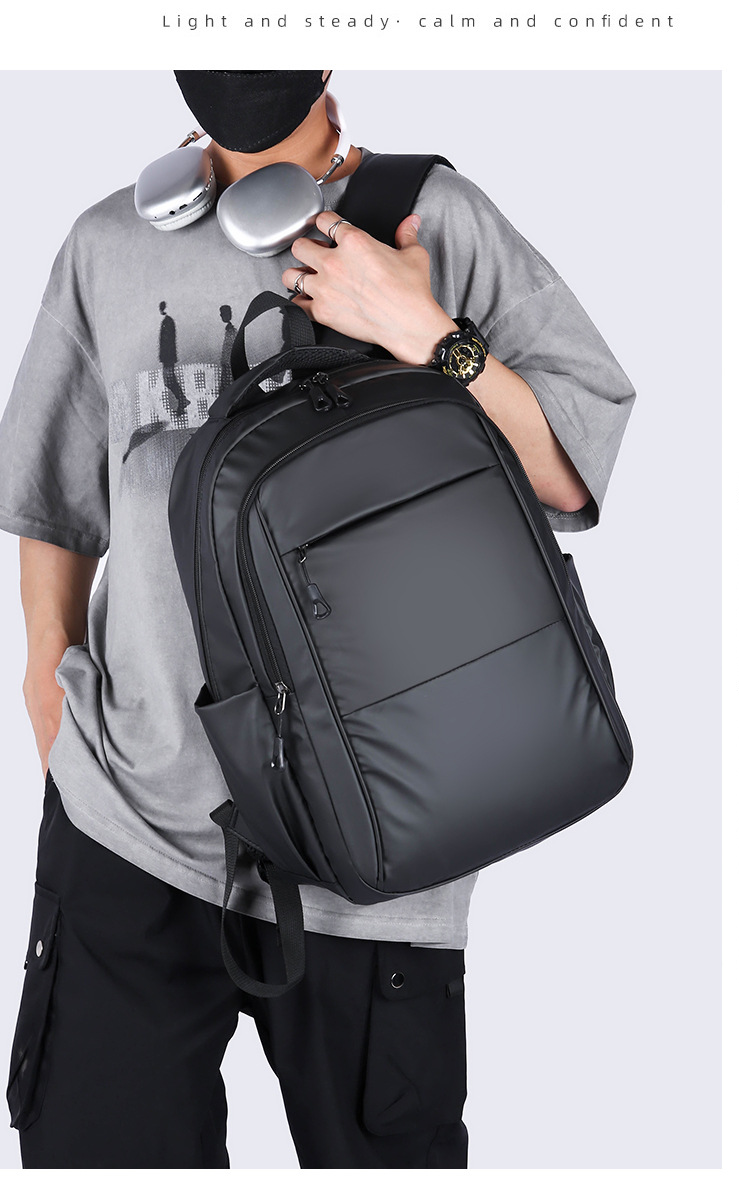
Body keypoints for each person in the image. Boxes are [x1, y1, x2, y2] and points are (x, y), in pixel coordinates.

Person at [0, 70, 635, 1170]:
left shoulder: (434, 219)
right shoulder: (108, 243)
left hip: (376, 848)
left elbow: (572, 477)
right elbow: (55, 492)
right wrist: (45, 673)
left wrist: (424, 329)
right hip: (130, 824)